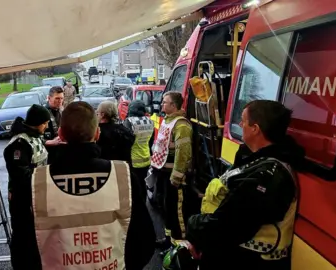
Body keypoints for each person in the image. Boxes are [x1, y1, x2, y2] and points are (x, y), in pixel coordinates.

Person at [26, 101, 156, 270]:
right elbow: (144, 239)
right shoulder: (123, 176)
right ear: (96, 134)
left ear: (60, 134)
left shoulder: (37, 182)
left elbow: (24, 250)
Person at [184, 100, 305, 270]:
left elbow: (228, 225)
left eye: (243, 121)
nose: (240, 125)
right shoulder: (253, 159)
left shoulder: (267, 177)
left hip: (247, 261)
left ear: (255, 129)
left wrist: (193, 226)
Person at [2, 104, 51, 269]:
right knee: (23, 237)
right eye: (45, 122)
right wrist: (47, 179)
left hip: (35, 196)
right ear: (37, 122)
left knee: (34, 237)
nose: (47, 126)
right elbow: (21, 176)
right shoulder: (19, 144)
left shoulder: (34, 136)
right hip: (22, 200)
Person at [148, 91, 192, 242]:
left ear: (173, 105)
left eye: (164, 102)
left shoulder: (181, 125)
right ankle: (168, 239)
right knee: (165, 206)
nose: (161, 104)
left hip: (172, 176)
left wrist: (177, 176)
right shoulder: (168, 121)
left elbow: (183, 153)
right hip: (162, 172)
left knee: (175, 210)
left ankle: (179, 244)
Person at [123, 100, 155, 197]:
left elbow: (126, 142)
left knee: (133, 188)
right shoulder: (150, 121)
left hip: (133, 161)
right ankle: (144, 207)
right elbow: (151, 142)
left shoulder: (129, 121)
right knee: (142, 185)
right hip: (145, 159)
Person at [43, 86, 65, 163]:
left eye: (62, 98)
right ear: (49, 98)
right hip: (47, 155)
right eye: (57, 98)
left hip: (61, 153)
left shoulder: (62, 110)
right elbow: (33, 137)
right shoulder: (41, 113)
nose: (60, 101)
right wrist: (50, 142)